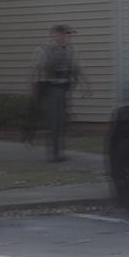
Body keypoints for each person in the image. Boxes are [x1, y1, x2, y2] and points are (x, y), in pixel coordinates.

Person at [29, 24, 88, 162]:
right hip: (51, 87)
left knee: (62, 121)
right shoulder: (45, 49)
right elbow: (35, 68)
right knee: (55, 120)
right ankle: (54, 152)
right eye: (63, 34)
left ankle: (59, 151)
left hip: (63, 87)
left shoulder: (70, 50)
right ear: (55, 34)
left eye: (67, 34)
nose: (66, 37)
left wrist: (85, 84)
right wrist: (32, 84)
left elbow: (76, 68)